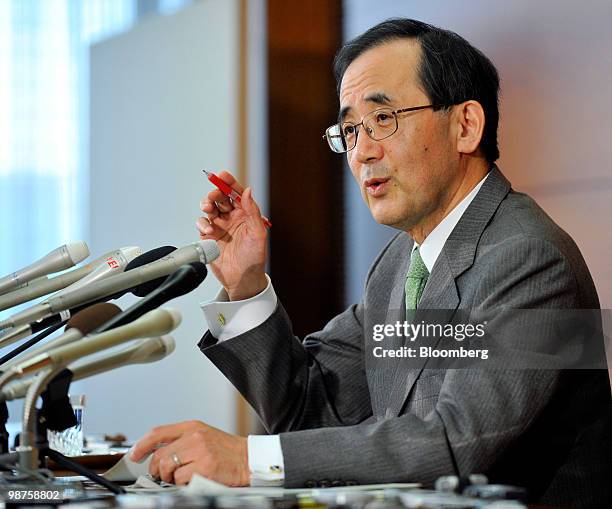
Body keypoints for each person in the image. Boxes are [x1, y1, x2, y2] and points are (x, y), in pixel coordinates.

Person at [131, 18, 611, 507]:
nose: (362, 152)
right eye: (349, 130)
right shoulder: (401, 263)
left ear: (465, 126)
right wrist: (246, 284)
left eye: (384, 119)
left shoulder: (529, 260)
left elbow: (454, 444)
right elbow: (308, 409)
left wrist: (247, 460)